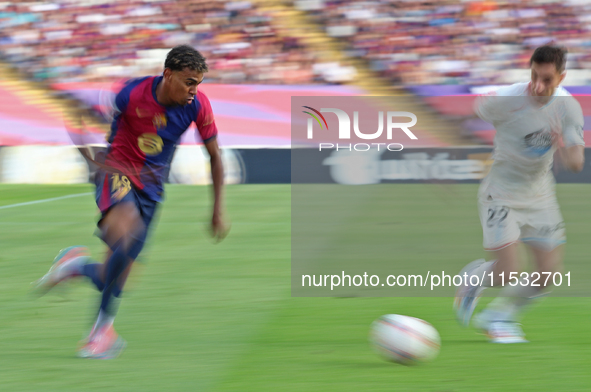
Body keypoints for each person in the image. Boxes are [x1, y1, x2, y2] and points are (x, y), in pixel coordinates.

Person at [35, 45, 228, 359]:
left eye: (198, 83)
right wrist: (90, 161)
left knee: (115, 274)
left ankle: (77, 266)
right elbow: (79, 114)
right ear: (168, 74)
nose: (194, 90)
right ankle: (100, 333)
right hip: (117, 173)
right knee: (127, 234)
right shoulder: (131, 93)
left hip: (151, 191)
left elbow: (215, 157)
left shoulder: (197, 106)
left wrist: (217, 210)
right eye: (188, 81)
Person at [454, 44, 585, 343]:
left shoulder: (569, 109)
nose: (538, 86)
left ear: (561, 77)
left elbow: (577, 163)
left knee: (548, 274)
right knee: (507, 273)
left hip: (539, 195)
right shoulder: (508, 98)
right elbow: (469, 111)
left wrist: (566, 148)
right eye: (534, 76)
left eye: (547, 79)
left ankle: (498, 317)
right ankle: (474, 279)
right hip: (501, 191)